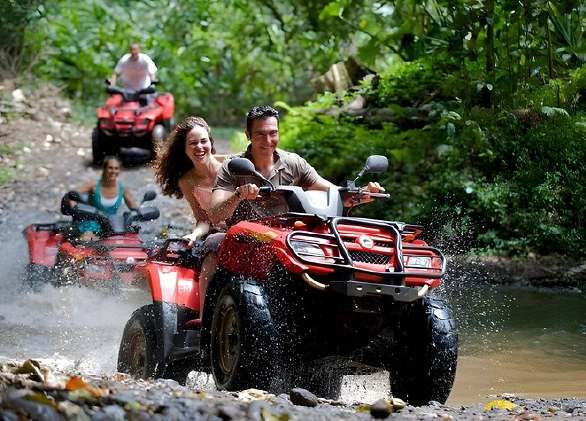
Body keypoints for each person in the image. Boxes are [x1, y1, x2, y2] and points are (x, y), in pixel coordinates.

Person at [199, 105, 382, 319]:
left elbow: (332, 191)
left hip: (287, 239)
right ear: (248, 135)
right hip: (243, 240)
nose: (268, 141)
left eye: (273, 133)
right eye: (260, 134)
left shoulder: (294, 163)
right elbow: (214, 214)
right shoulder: (232, 166)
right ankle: (207, 319)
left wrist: (363, 193)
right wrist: (239, 195)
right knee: (212, 245)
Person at [152, 116, 228, 244]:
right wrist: (194, 235)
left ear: (211, 143)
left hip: (242, 229)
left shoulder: (230, 164)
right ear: (184, 149)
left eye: (204, 141)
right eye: (193, 143)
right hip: (213, 235)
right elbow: (203, 220)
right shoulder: (186, 181)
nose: (199, 146)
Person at [73, 155, 138, 241]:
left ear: (120, 170)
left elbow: (134, 208)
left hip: (113, 226)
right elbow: (72, 195)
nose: (113, 171)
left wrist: (142, 213)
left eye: (116, 168)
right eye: (110, 168)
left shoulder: (123, 188)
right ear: (104, 169)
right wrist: (73, 207)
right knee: (86, 238)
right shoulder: (93, 185)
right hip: (91, 225)